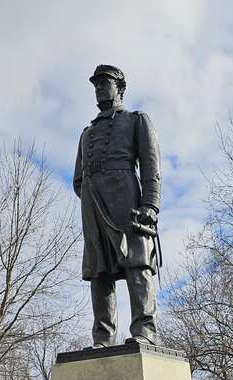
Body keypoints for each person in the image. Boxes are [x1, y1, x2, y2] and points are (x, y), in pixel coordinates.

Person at [73, 64, 161, 347]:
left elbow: (150, 166)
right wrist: (92, 195)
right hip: (93, 201)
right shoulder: (86, 133)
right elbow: (78, 178)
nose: (99, 88)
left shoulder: (136, 120)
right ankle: (102, 337)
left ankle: (144, 330)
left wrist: (150, 205)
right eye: (96, 84)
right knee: (98, 269)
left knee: (137, 263)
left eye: (105, 83)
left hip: (127, 197)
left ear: (119, 88)